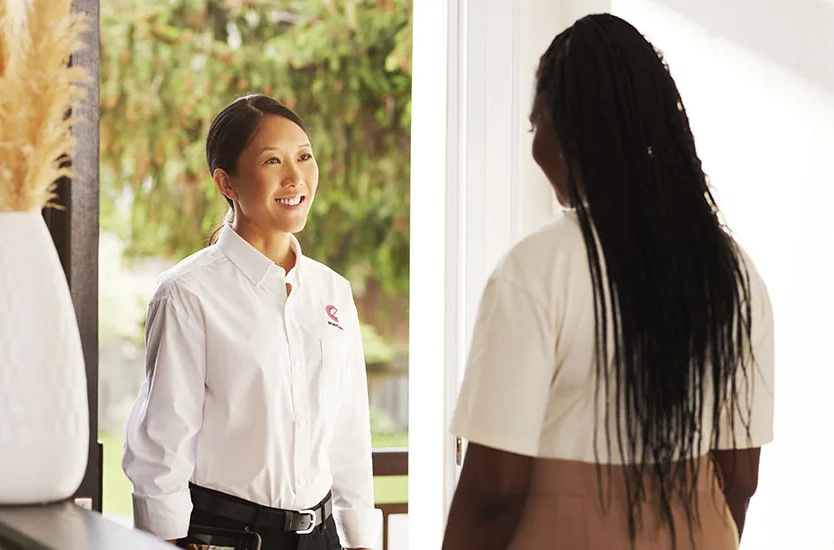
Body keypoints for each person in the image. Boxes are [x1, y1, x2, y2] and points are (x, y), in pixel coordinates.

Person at [442, 14, 773, 550]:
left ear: (569, 128)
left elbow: (495, 488)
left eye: (536, 125)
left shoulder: (535, 271)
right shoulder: (731, 269)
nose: (534, 145)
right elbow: (740, 475)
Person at [122, 94, 379, 550]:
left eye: (304, 156)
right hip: (224, 538)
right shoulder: (187, 294)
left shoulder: (331, 292)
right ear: (227, 182)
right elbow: (162, 447)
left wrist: (360, 537)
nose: (295, 177)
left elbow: (349, 430)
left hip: (322, 539)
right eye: (272, 161)